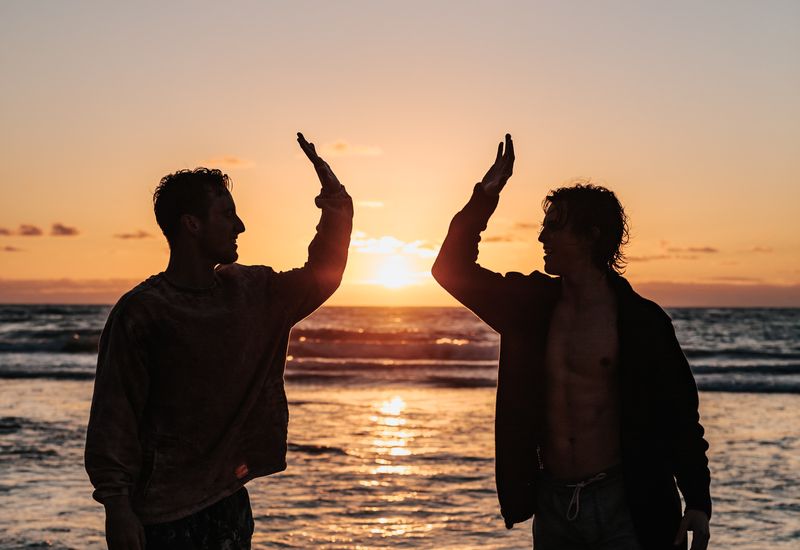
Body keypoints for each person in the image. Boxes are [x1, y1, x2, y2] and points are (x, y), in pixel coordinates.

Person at [431, 135, 711, 550]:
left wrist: (698, 502)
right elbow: (450, 270)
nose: (541, 237)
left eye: (553, 227)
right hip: (555, 503)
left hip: (626, 503)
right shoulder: (528, 307)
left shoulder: (642, 322)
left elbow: (680, 416)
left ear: (590, 236)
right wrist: (484, 198)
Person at [85, 133, 353, 549]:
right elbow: (114, 419)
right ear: (192, 224)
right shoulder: (143, 312)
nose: (240, 225)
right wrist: (117, 508)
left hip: (228, 505)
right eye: (227, 215)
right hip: (163, 516)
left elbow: (325, 272)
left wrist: (335, 202)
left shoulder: (254, 292)